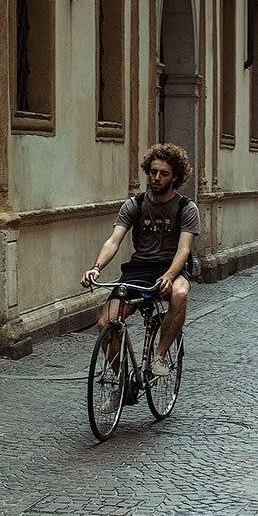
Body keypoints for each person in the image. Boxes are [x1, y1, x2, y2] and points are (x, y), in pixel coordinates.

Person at [83, 143, 197, 400]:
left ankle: (159, 357)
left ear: (175, 176)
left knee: (180, 294)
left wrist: (169, 276)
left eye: (164, 173)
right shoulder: (134, 205)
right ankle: (124, 383)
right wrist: (96, 267)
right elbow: (114, 240)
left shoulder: (186, 208)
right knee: (105, 322)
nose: (156, 178)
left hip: (171, 268)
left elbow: (184, 249)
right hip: (138, 270)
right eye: (153, 171)